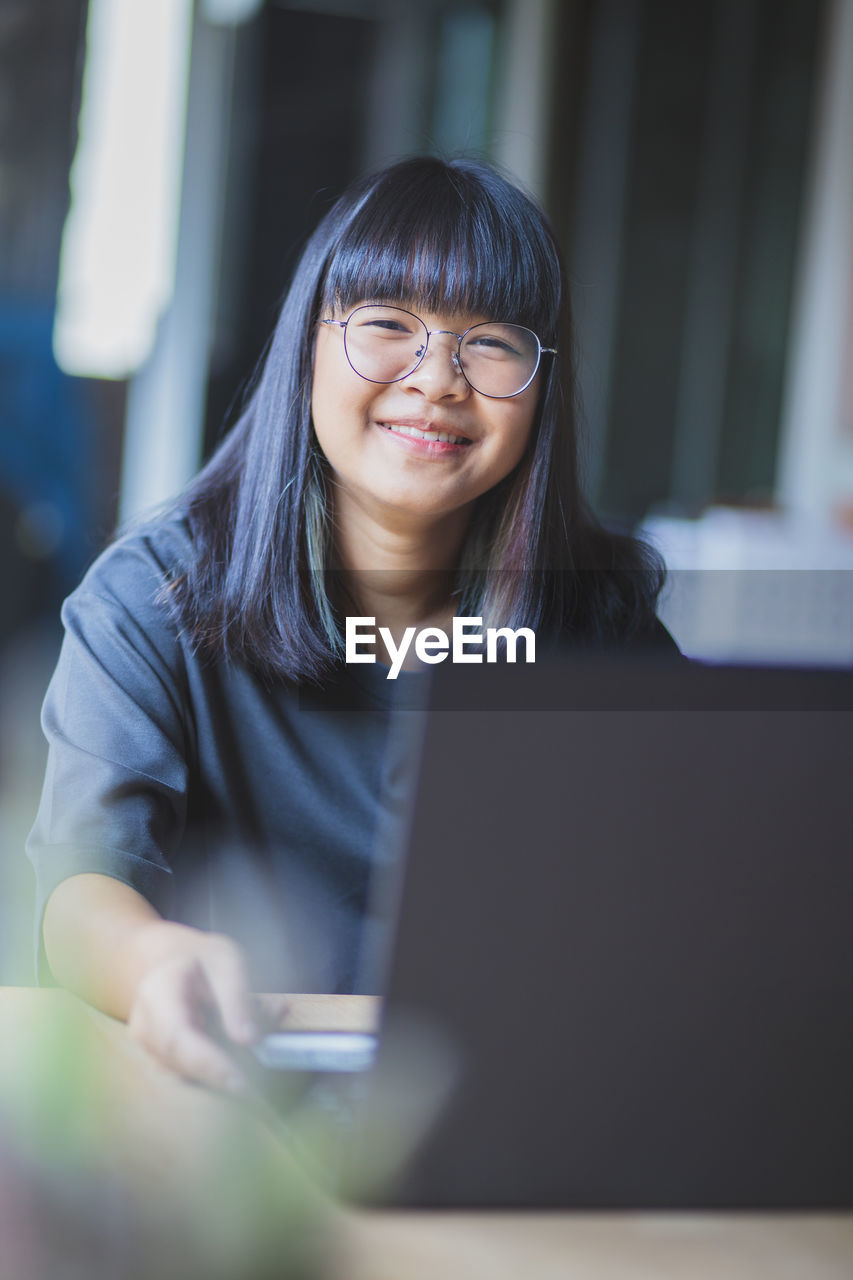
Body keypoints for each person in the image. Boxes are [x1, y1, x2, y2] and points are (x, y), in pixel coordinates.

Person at [27, 155, 675, 1092]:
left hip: (507, 1096)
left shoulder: (596, 614)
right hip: (223, 1100)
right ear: (308, 344)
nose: (437, 380)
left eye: (490, 342)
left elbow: (692, 883)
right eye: (385, 326)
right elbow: (80, 891)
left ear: (542, 387)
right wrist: (157, 965)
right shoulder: (154, 597)